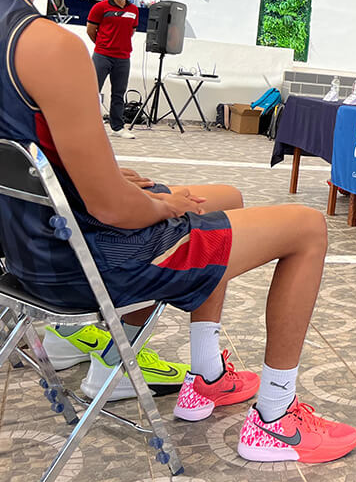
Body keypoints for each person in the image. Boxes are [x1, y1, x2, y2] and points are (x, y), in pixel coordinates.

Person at [0, 0, 356, 464]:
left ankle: (196, 372)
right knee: (306, 227)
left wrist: (94, 181)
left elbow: (29, 150)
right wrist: (163, 205)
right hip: (86, 262)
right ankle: (275, 419)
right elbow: (113, 208)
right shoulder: (48, 43)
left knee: (225, 197)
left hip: (25, 256)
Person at [43, 170, 243, 401]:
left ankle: (68, 332)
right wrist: (162, 204)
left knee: (228, 197)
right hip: (92, 263)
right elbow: (109, 205)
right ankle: (206, 374)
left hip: (41, 258)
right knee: (209, 228)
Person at [87, 0, 138, 138]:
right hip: (102, 56)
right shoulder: (100, 7)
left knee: (118, 94)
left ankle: (117, 128)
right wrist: (103, 45)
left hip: (123, 58)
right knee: (93, 91)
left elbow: (131, 31)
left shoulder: (134, 10)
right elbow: (90, 30)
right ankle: (88, 124)